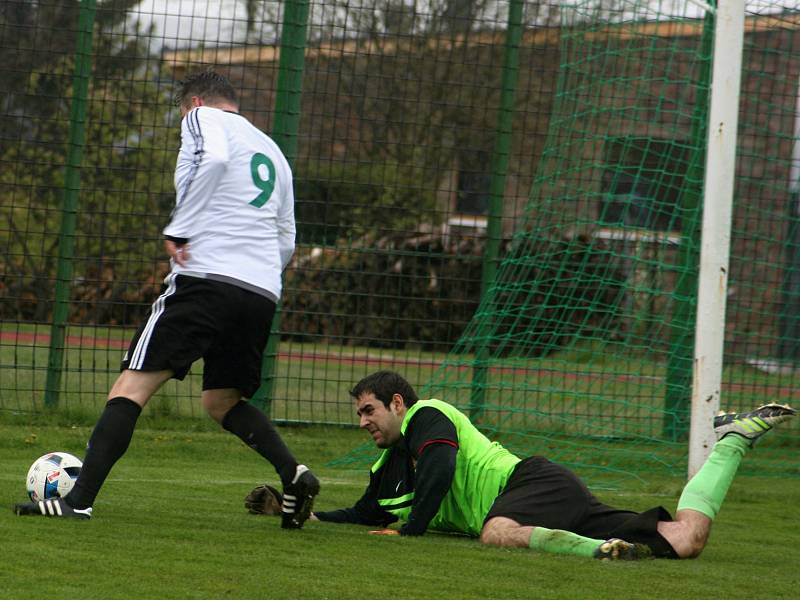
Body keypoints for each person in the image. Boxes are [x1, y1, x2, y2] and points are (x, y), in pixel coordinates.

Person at [15, 70, 319, 528]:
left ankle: (78, 500)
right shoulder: (272, 151)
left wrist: (180, 227)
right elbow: (287, 236)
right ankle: (294, 474)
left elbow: (213, 160)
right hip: (259, 291)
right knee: (221, 402)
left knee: (130, 388)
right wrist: (258, 278)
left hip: (205, 278)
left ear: (194, 102)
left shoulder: (202, 118)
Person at [308, 370, 795, 559]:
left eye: (369, 410)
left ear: (396, 403)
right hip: (550, 506)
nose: (363, 422)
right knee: (687, 540)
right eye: (358, 415)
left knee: (496, 530)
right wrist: (305, 516)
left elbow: (438, 468)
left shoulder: (426, 414)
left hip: (532, 484)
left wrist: (412, 530)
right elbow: (364, 513)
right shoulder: (387, 466)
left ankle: (600, 551)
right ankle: (733, 440)